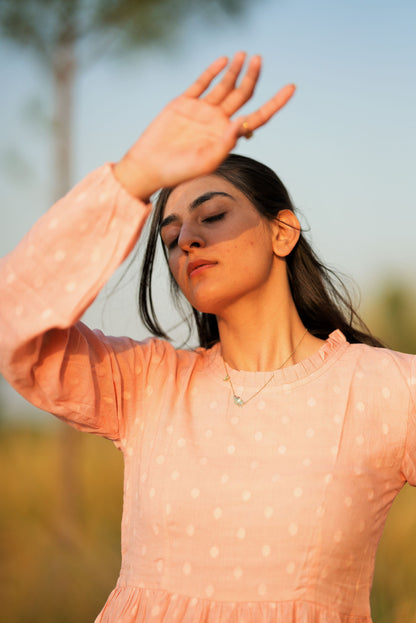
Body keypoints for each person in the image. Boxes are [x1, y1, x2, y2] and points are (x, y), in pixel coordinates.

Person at [1, 51, 415, 623]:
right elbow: (13, 323)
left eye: (212, 215)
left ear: (283, 232)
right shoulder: (146, 385)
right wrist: (137, 174)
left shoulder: (386, 390)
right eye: (170, 238)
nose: (187, 240)